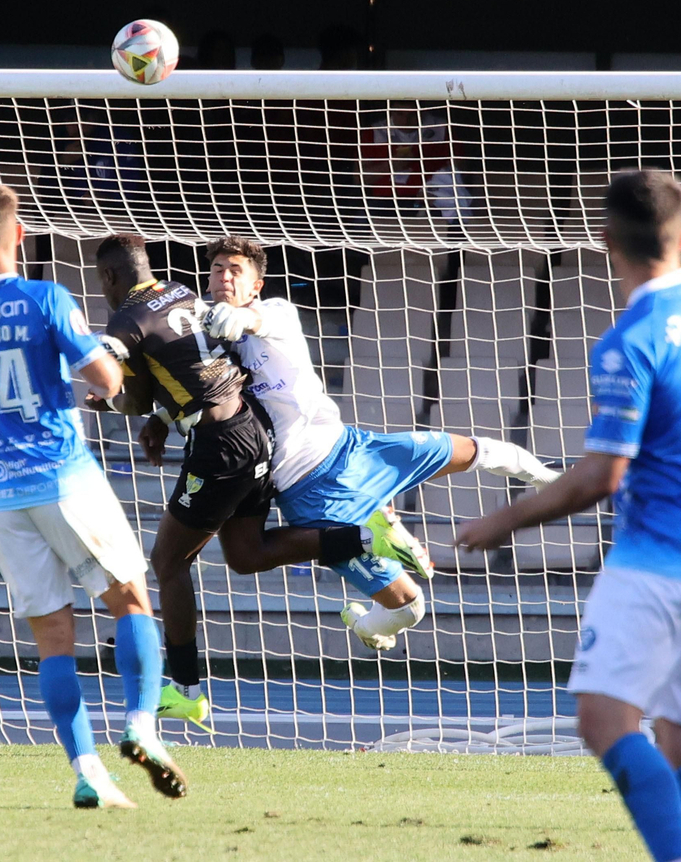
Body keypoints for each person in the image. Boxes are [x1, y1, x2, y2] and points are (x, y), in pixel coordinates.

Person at [456, 170, 681, 862]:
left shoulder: (633, 338)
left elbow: (601, 475)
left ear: (605, 240)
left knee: (603, 719)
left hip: (659, 559)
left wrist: (500, 523)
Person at [0, 186, 180, 809]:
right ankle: (141, 726)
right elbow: (106, 378)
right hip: (63, 476)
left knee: (53, 636)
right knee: (129, 598)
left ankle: (87, 773)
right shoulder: (46, 297)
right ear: (20, 235)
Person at [199, 236, 559, 650]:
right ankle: (368, 607)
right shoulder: (199, 341)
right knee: (410, 609)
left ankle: (547, 478)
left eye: (235, 270)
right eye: (217, 269)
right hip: (312, 490)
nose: (225, 276)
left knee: (474, 451)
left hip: (352, 447)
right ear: (208, 280)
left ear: (256, 286)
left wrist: (239, 318)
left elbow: (259, 322)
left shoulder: (276, 312)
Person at [85, 234, 290, 730]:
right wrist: (161, 415)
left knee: (167, 561)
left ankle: (186, 691)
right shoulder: (180, 292)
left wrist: (108, 399)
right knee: (245, 554)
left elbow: (121, 387)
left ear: (110, 277)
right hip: (250, 429)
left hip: (219, 444)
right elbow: (185, 372)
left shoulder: (126, 319)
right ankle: (359, 536)